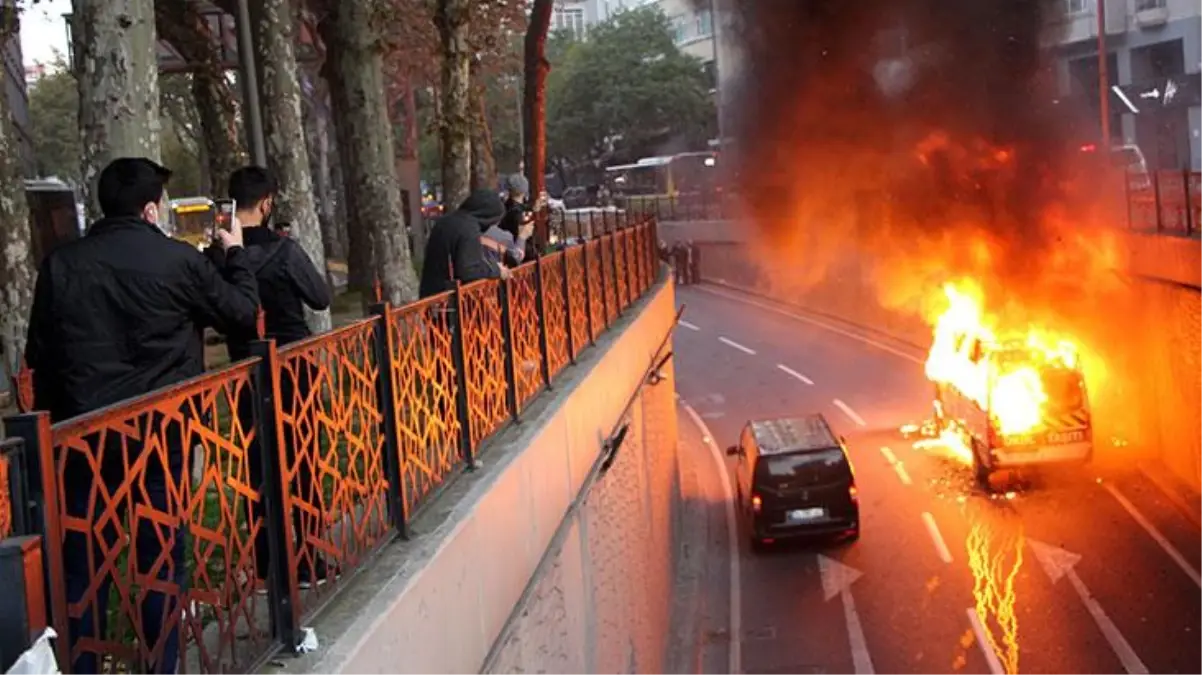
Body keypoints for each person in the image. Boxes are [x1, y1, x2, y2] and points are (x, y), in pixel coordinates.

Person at [24, 157, 260, 675]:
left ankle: (80, 663)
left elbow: (37, 354)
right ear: (152, 209)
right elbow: (242, 312)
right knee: (159, 558)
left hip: (83, 440)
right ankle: (162, 663)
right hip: (161, 436)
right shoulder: (178, 261)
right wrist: (236, 254)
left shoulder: (61, 265)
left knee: (83, 566)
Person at [218, 166, 337, 589]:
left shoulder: (219, 256)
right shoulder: (284, 251)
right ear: (267, 204)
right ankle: (307, 557)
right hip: (292, 365)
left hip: (246, 369)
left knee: (258, 463)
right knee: (302, 458)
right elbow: (320, 297)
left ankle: (268, 563)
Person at [419, 189, 509, 297]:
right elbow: (469, 270)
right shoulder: (469, 229)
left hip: (431, 292)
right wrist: (496, 270)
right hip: (448, 300)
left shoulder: (446, 220)